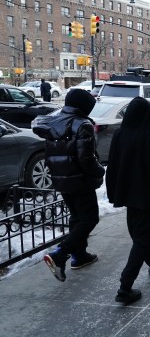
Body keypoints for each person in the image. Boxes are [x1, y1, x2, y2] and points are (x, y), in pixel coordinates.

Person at [105, 97, 150, 305]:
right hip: (146, 198)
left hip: (128, 197)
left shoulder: (120, 135)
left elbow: (113, 167)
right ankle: (124, 287)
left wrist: (113, 193)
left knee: (141, 238)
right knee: (142, 240)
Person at [32, 88, 105, 282]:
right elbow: (86, 158)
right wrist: (100, 171)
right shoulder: (83, 125)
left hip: (60, 178)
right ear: (83, 106)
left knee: (77, 217)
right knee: (90, 219)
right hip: (80, 180)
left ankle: (79, 255)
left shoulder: (54, 121)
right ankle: (60, 254)